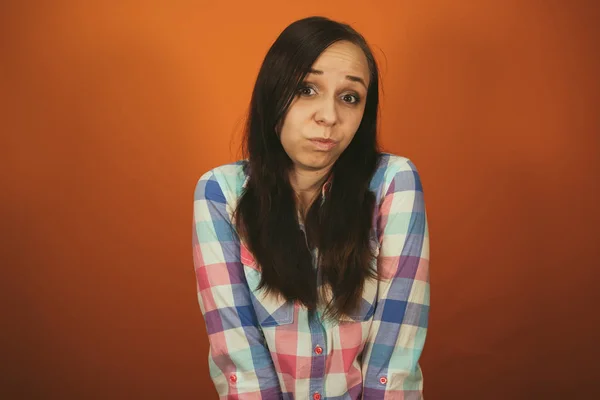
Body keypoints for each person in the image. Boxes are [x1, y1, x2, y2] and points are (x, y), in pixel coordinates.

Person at [192, 16, 430, 399]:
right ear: (274, 96)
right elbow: (242, 365)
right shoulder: (221, 193)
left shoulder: (393, 183)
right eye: (307, 89)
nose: (330, 117)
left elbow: (393, 365)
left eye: (349, 97)